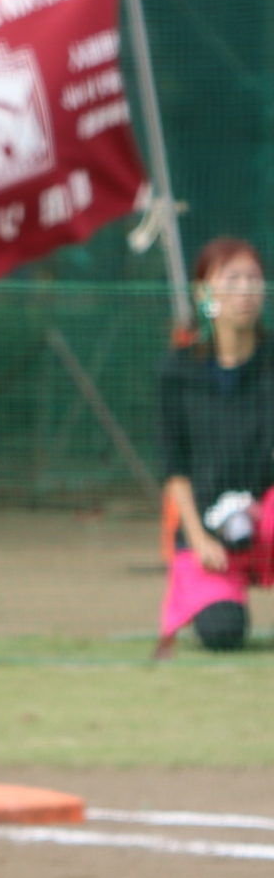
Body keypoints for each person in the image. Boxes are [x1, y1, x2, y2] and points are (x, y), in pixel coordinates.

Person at [159, 238, 274, 652]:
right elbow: (175, 469)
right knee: (222, 632)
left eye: (253, 279)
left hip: (268, 520)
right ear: (203, 292)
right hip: (209, 530)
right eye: (232, 279)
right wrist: (199, 538)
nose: (245, 290)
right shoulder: (177, 372)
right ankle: (209, 592)